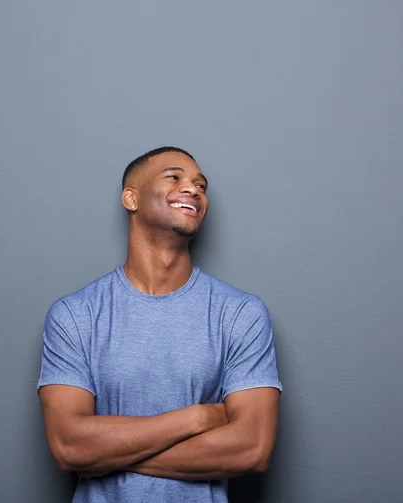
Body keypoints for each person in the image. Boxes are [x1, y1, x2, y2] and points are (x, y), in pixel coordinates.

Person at [37, 146, 283, 503]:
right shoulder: (75, 315)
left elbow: (252, 449)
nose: (193, 189)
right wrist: (197, 418)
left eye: (201, 185)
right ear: (131, 198)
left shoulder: (241, 313)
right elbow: (69, 447)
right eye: (174, 177)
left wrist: (107, 455)